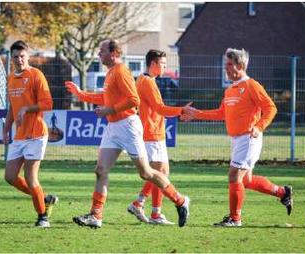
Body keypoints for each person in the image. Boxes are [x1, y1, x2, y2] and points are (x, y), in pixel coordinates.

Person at [65, 39, 190, 228]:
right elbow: (105, 97)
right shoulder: (110, 73)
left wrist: (109, 110)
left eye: (102, 51)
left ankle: (180, 201)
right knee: (100, 170)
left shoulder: (122, 71)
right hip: (113, 127)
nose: (99, 54)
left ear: (114, 53)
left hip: (128, 126)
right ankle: (96, 215)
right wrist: (81, 94)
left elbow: (134, 100)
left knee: (146, 173)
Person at [187, 48, 292, 227]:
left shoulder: (252, 85)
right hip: (236, 139)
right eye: (225, 65)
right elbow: (222, 113)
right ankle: (283, 192)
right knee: (246, 180)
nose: (225, 69)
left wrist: (259, 127)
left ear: (241, 65)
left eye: (229, 65)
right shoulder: (230, 90)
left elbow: (271, 108)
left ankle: (235, 219)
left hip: (249, 138)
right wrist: (197, 114)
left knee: (234, 175)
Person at [124, 49, 195, 225]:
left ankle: (144, 206)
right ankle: (152, 211)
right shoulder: (147, 82)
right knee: (159, 174)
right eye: (162, 64)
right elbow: (159, 108)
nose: (164, 67)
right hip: (152, 133)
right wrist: (181, 110)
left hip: (154, 132)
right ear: (153, 64)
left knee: (160, 173)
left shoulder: (144, 79)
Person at [2, 40, 58, 228]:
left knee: (30, 178)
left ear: (28, 56)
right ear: (12, 58)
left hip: (36, 134)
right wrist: (6, 128)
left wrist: (27, 108)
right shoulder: (10, 78)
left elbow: (48, 104)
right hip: (19, 136)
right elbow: (12, 106)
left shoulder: (36, 75)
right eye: (16, 57)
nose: (19, 60)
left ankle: (43, 217)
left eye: (22, 56)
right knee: (10, 177)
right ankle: (44, 198)